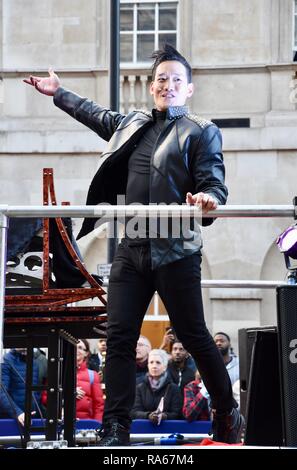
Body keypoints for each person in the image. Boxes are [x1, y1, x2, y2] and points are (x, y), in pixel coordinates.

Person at [24, 44, 243, 445]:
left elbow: (213, 182)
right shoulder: (133, 123)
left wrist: (208, 199)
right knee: (119, 338)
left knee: (193, 336)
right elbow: (96, 115)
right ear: (151, 86)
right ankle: (115, 427)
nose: (168, 85)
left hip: (176, 249)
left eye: (177, 80)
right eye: (161, 79)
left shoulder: (200, 129)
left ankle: (227, 410)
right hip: (132, 246)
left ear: (189, 89)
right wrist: (59, 93)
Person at [131, 349, 182, 423]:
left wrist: (164, 416)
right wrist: (149, 415)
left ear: (165, 366)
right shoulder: (140, 387)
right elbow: (134, 412)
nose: (154, 366)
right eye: (151, 362)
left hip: (167, 429)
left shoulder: (174, 388)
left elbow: (177, 413)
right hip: (144, 430)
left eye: (158, 362)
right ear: (148, 365)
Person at [0, 349, 41, 426]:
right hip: (12, 418)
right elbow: (2, 392)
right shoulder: (6, 361)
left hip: (32, 416)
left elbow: (36, 391)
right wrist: (18, 412)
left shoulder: (34, 362)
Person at [76, 339, 104, 422]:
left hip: (86, 425)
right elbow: (45, 398)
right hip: (63, 423)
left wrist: (96, 425)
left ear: (86, 353)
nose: (77, 350)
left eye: (80, 347)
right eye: (74, 347)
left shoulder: (93, 375)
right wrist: (67, 393)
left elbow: (99, 405)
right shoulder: (58, 372)